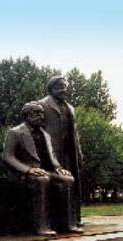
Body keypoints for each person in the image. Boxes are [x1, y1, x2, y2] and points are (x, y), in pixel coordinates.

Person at [2, 101, 81, 235]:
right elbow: (7, 157)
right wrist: (28, 170)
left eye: (42, 113)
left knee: (68, 179)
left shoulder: (45, 134)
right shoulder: (15, 132)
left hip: (45, 171)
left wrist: (58, 168)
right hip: (24, 174)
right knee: (42, 180)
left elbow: (51, 156)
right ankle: (41, 226)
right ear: (27, 115)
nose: (41, 116)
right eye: (37, 113)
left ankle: (68, 224)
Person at [37, 76, 83, 226]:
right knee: (53, 186)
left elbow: (74, 132)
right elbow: (37, 130)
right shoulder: (42, 105)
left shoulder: (70, 108)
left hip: (69, 153)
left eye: (65, 86)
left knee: (72, 185)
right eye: (60, 87)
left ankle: (73, 219)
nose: (64, 90)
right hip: (51, 153)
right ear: (51, 88)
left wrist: (79, 151)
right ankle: (53, 221)